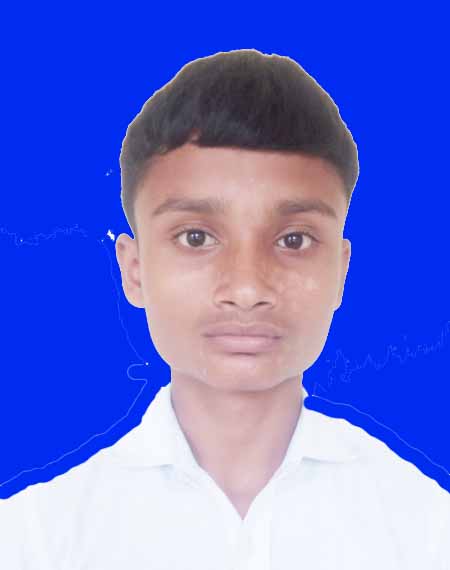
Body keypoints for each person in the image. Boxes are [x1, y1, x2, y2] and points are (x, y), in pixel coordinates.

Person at [1, 48, 449, 569]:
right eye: (196, 237)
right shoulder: (35, 541)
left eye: (294, 240)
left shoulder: (425, 531)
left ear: (341, 271)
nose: (246, 288)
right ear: (134, 269)